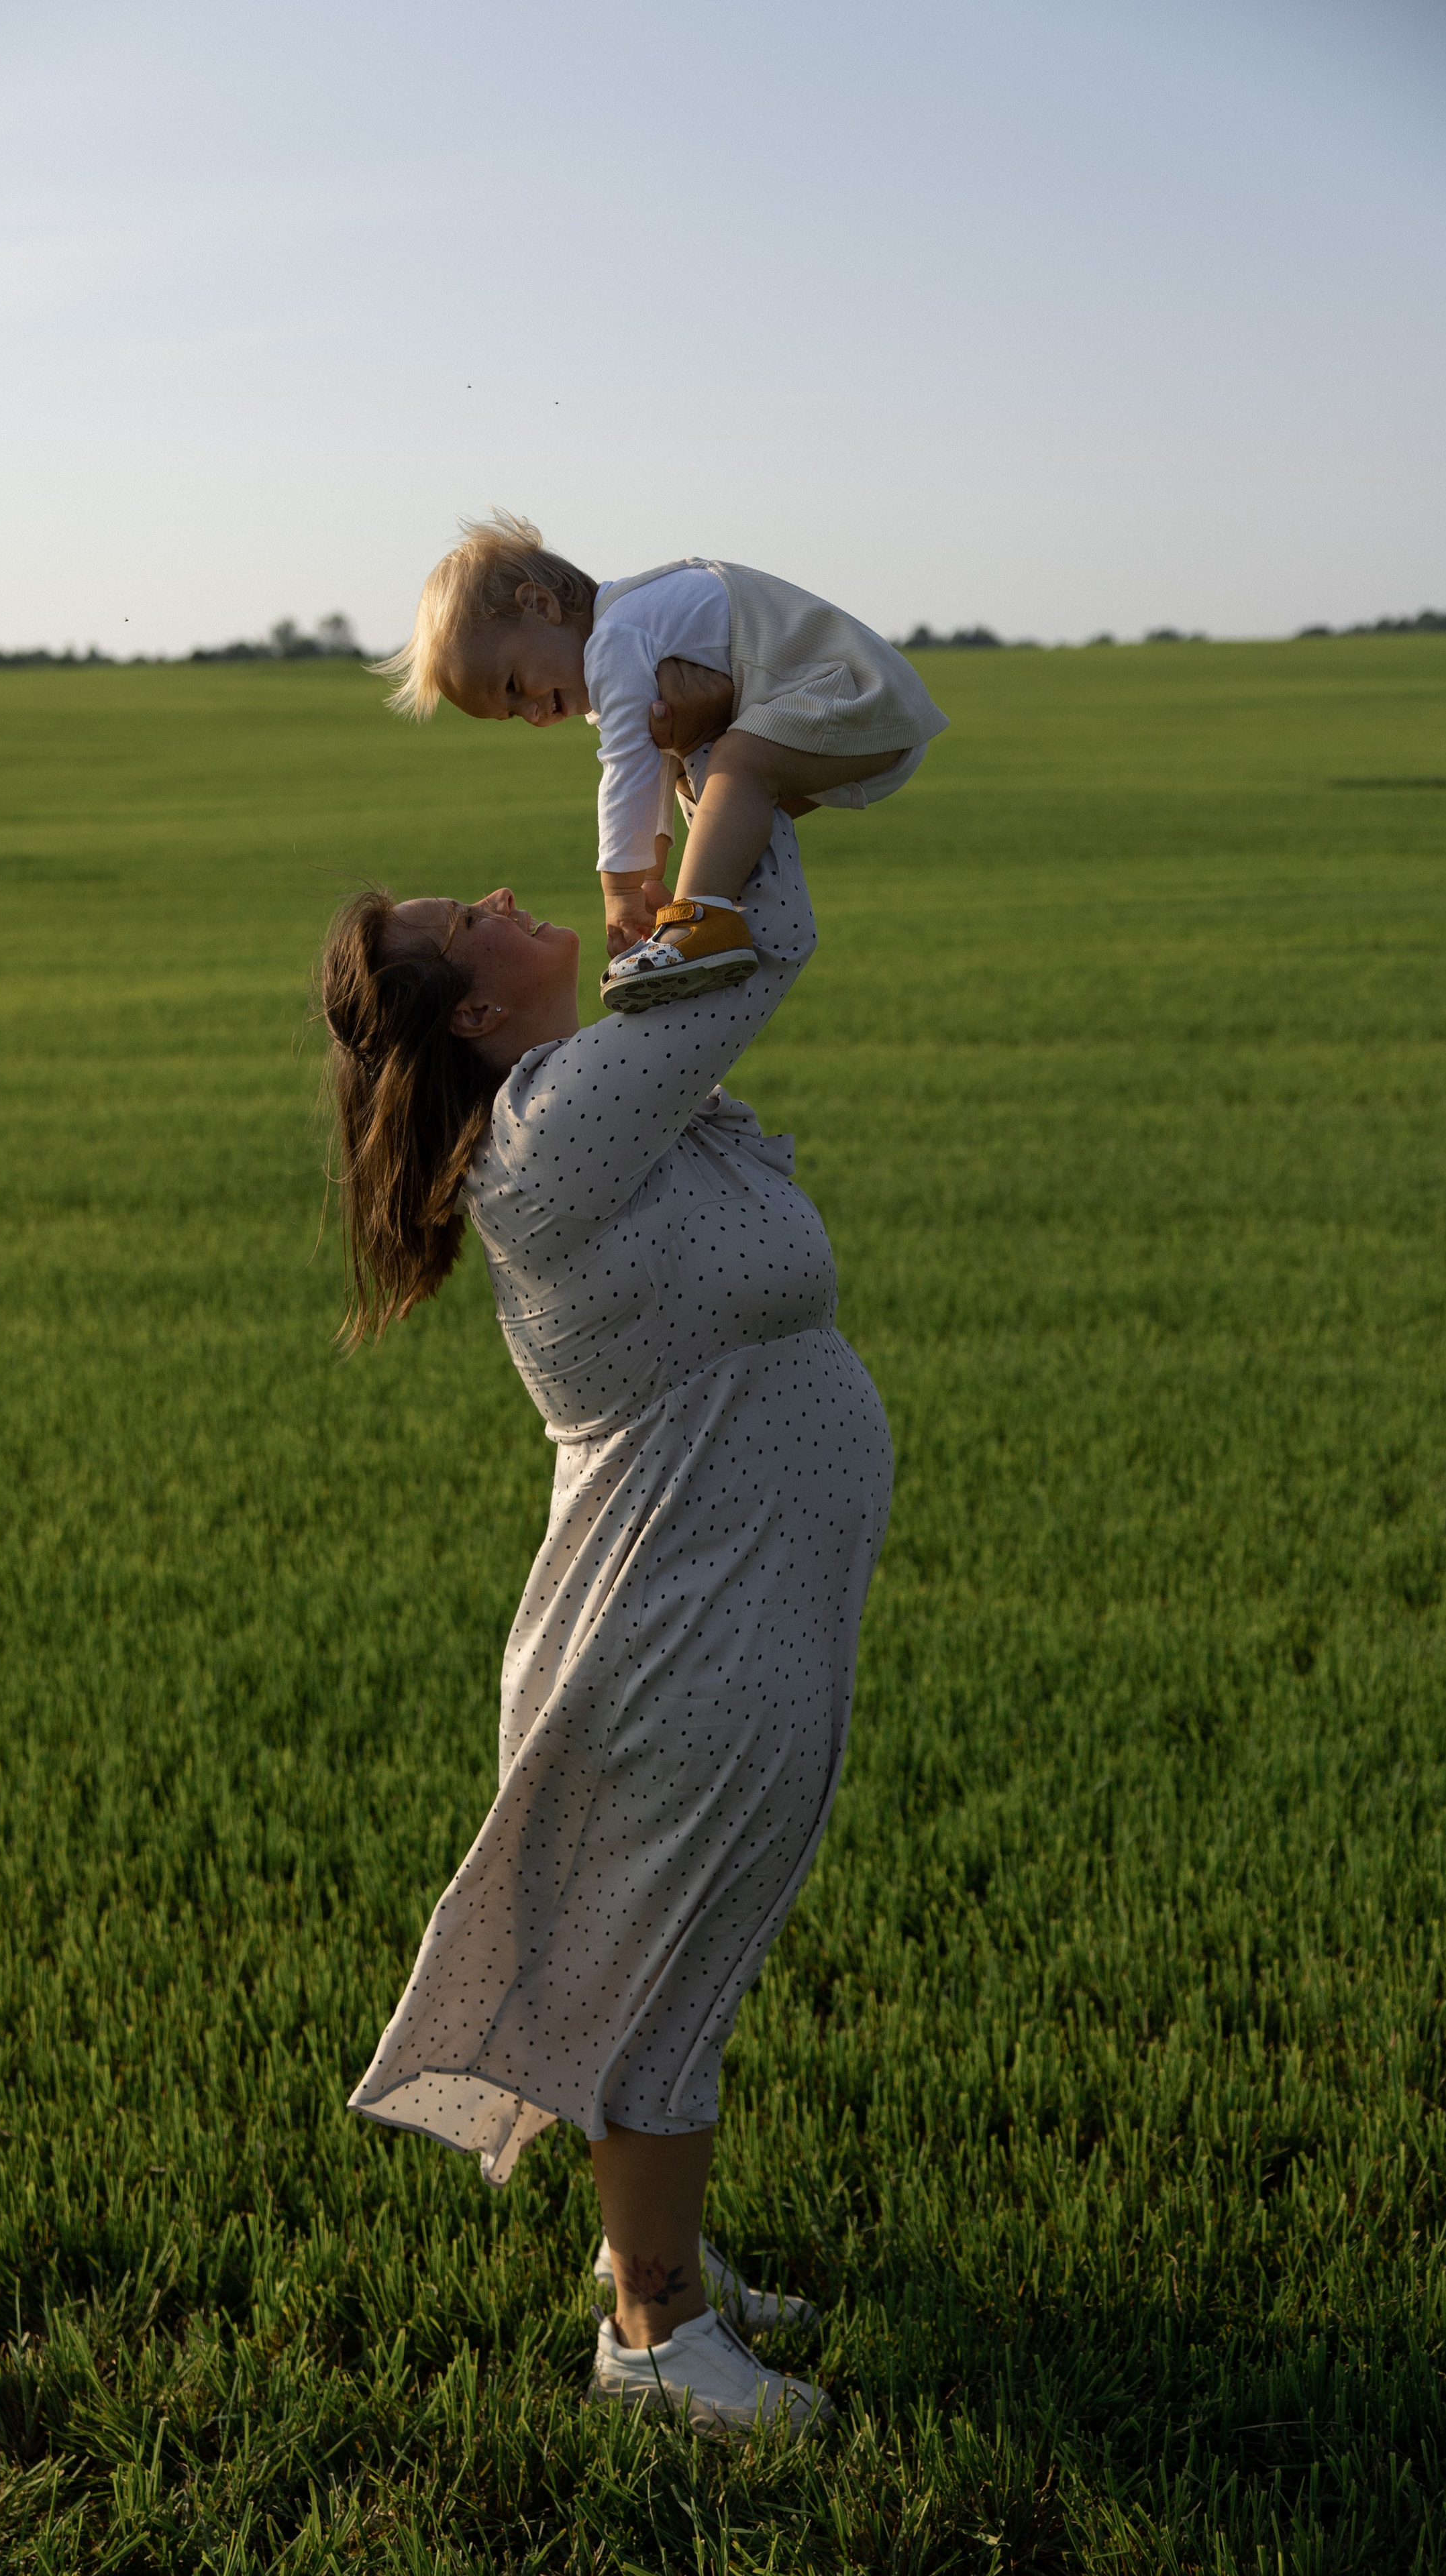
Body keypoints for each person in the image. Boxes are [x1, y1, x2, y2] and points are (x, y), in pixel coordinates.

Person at [319, 696, 894, 2439]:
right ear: (483, 1012)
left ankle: (661, 2264)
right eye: (466, 920)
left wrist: (718, 790)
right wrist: (755, 762)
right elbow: (756, 945)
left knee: (683, 1955)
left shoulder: (577, 1107)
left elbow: (714, 954)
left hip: (717, 1597)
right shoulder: (560, 1127)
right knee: (667, 1988)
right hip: (681, 1622)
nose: (501, 892)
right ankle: (652, 2341)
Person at [376, 509, 948, 1008]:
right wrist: (654, 875)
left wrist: (622, 893)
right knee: (723, 790)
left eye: (513, 685)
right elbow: (654, 771)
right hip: (859, 703)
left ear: (540, 605)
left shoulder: (617, 639)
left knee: (738, 768)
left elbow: (626, 769)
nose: (532, 713)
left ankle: (699, 924)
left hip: (851, 695)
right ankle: (699, 919)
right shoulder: (636, 621)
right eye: (512, 715)